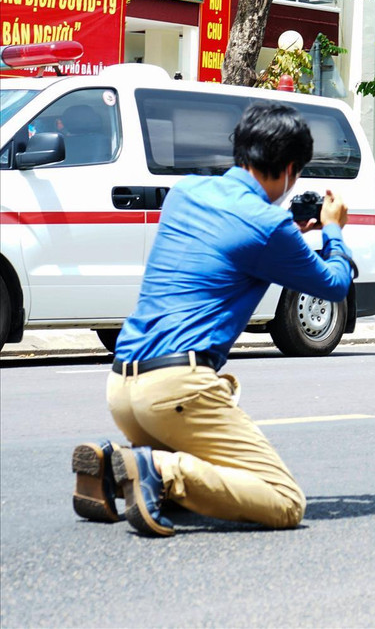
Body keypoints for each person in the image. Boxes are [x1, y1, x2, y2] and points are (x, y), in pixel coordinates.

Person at [70, 102, 354, 537]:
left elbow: (230, 241)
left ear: (241, 150)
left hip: (123, 388)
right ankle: (157, 470)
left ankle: (116, 470)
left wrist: (285, 231)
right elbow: (333, 284)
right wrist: (333, 230)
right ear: (289, 169)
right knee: (284, 501)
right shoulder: (269, 227)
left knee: (203, 481)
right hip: (176, 390)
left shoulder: (185, 192)